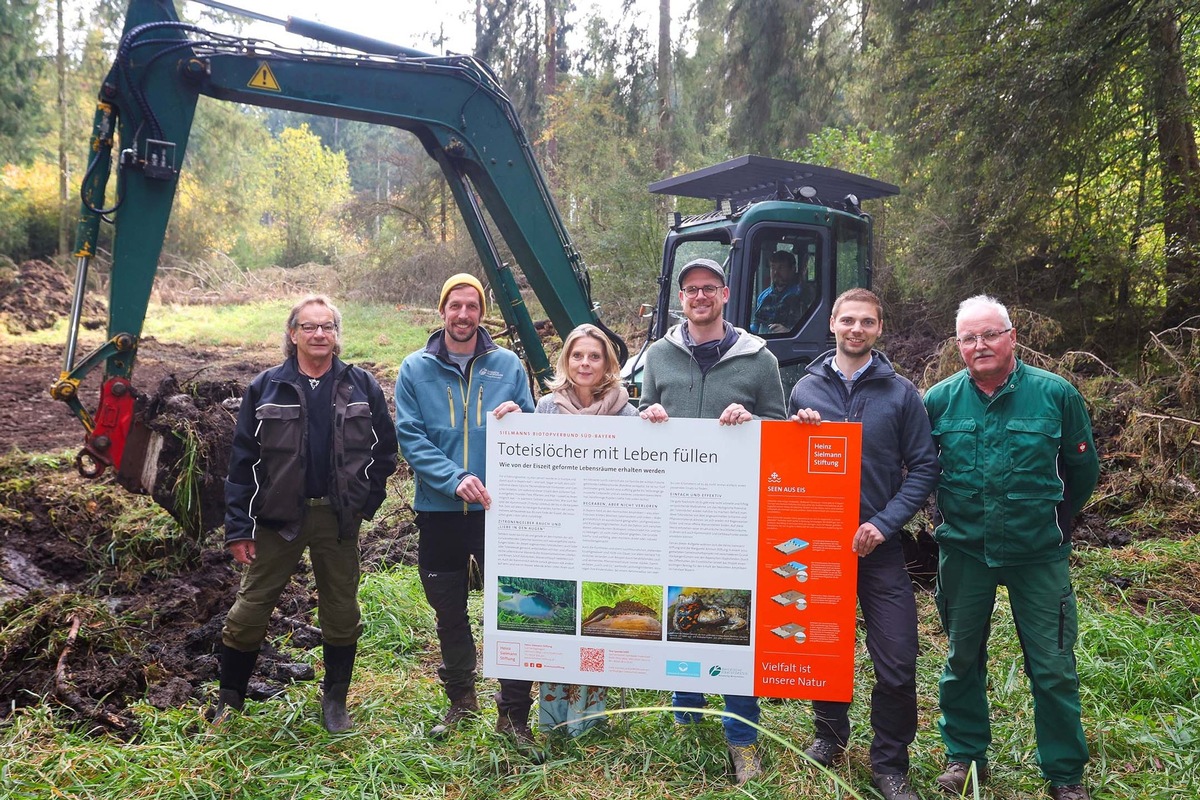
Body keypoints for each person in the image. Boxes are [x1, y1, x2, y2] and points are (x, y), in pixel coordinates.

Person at [924, 295, 1099, 800]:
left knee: (1052, 666)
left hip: (1038, 555)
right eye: (969, 338)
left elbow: (1082, 469)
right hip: (964, 553)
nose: (980, 346)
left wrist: (1057, 521)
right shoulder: (939, 400)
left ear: (1011, 336)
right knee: (961, 661)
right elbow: (918, 467)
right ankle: (966, 759)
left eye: (990, 335)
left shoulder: (1055, 394)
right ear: (959, 345)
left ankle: (1065, 775)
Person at [216, 294, 398, 733]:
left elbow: (386, 450)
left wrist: (364, 503)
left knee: (341, 611)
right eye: (310, 327)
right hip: (278, 520)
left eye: (328, 327)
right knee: (249, 611)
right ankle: (229, 701)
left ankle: (335, 703)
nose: (319, 334)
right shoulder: (266, 387)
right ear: (293, 333)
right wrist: (240, 527)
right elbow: (242, 461)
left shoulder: (361, 385)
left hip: (337, 520)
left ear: (336, 335)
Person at [639, 257, 787, 785]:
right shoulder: (657, 355)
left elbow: (781, 427)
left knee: (731, 616)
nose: (699, 296)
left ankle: (742, 735)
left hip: (733, 513)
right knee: (683, 603)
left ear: (725, 294)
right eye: (690, 290)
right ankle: (686, 714)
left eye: (708, 288)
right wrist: (647, 417)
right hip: (674, 510)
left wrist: (753, 421)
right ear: (681, 298)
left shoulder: (758, 360)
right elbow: (641, 422)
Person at [788, 288, 938, 800]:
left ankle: (890, 764)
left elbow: (924, 468)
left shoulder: (901, 394)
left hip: (880, 549)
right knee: (826, 650)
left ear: (879, 329)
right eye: (847, 319)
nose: (856, 329)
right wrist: (797, 433)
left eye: (867, 322)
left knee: (897, 660)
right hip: (822, 547)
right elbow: (787, 464)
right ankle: (829, 737)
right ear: (831, 322)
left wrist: (886, 523)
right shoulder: (804, 389)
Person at [393, 273, 539, 748]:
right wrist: (454, 479)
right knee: (449, 611)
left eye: (471, 306)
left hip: (502, 513)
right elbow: (410, 436)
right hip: (439, 511)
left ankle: (514, 713)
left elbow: (533, 425)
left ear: (482, 312)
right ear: (442, 311)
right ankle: (461, 699)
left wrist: (520, 421)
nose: (462, 314)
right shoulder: (415, 369)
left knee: (516, 609)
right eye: (454, 305)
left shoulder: (508, 365)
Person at [495, 323, 638, 735]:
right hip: (559, 535)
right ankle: (556, 718)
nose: (585, 363)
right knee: (560, 624)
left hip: (603, 532)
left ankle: (590, 719)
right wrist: (511, 423)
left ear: (607, 362)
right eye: (577, 355)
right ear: (566, 361)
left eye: (594, 356)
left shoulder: (627, 413)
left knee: (593, 622)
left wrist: (656, 422)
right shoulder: (545, 409)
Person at [751, 250, 809, 335]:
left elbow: (811, 329)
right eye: (773, 267)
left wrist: (789, 332)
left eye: (781, 268)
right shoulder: (763, 296)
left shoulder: (804, 295)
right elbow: (755, 326)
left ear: (792, 269)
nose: (775, 272)